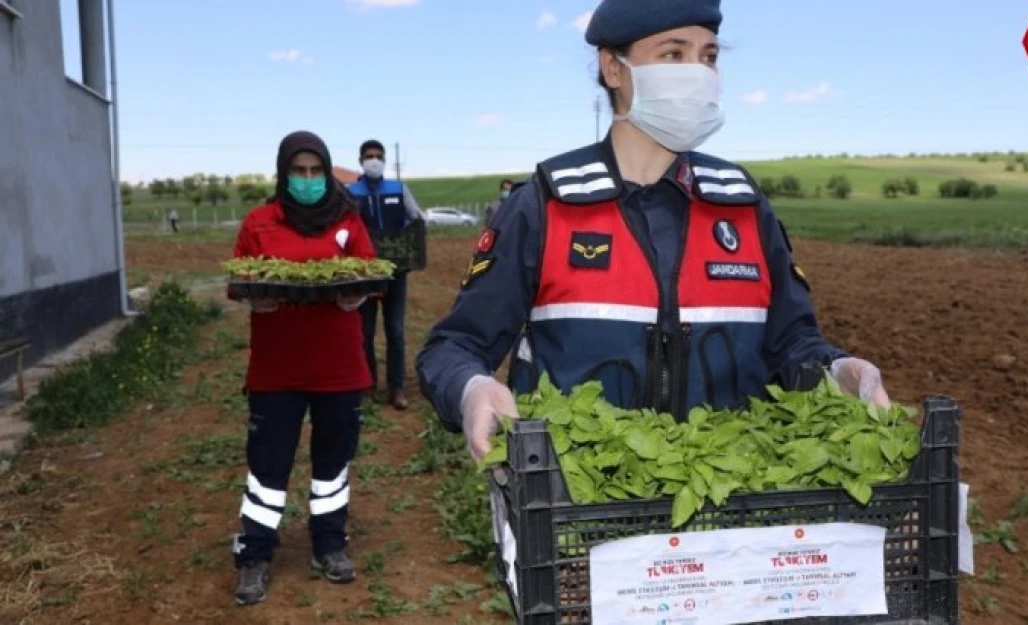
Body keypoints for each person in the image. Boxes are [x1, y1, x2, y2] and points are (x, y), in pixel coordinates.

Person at [415, 0, 892, 462]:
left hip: (729, 508)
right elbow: (454, 347)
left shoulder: (744, 206)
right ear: (614, 69)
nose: (698, 73)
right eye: (673, 54)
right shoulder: (545, 206)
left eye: (708, 57)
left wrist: (837, 372)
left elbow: (793, 346)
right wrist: (472, 389)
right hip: (574, 512)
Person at [229, 130, 376, 606]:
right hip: (276, 370)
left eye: (316, 171)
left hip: (338, 367)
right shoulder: (260, 222)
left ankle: (329, 544)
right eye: (299, 171)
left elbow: (370, 271)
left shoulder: (348, 221)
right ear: (284, 172)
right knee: (267, 467)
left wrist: (358, 290)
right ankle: (255, 554)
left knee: (332, 464)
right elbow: (240, 277)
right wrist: (258, 294)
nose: (309, 180)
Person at [347, 140, 424, 410]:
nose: (374, 160)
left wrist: (410, 238)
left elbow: (415, 218)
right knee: (364, 331)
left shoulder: (398, 189)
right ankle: (368, 384)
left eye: (379, 156)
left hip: (396, 271)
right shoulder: (350, 192)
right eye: (369, 156)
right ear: (361, 160)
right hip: (364, 274)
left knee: (395, 330)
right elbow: (342, 225)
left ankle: (397, 387)